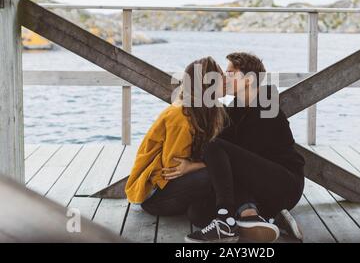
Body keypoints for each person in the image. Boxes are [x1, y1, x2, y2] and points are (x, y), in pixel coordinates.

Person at [183, 52, 305, 243]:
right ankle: (268, 219)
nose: (224, 77)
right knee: (196, 212)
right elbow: (224, 158)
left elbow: (229, 156)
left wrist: (192, 167)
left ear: (248, 80)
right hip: (256, 186)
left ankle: (226, 221)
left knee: (214, 146)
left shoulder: (267, 109)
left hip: (283, 183)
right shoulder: (235, 107)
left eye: (231, 73)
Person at [125, 57, 227, 221]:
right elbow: (173, 169)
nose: (225, 80)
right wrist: (204, 165)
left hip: (180, 187)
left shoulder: (211, 110)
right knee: (216, 173)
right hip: (156, 196)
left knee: (221, 174)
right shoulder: (181, 116)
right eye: (220, 76)